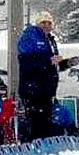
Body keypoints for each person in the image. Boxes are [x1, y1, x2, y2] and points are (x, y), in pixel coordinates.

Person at [18, 11, 63, 142]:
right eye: (43, 22)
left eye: (49, 23)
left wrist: (62, 63)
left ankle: (43, 145)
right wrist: (48, 61)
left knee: (45, 121)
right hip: (34, 89)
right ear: (38, 23)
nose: (46, 25)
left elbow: (49, 63)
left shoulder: (50, 40)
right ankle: (33, 145)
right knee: (36, 121)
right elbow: (27, 60)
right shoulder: (30, 36)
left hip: (46, 89)